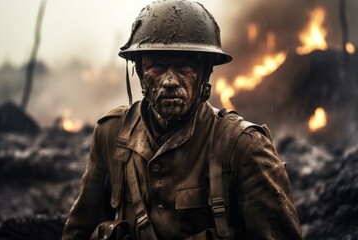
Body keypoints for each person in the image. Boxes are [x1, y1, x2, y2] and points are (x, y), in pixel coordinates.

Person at [62, 0, 302, 239]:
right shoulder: (111, 134)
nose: (169, 81)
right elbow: (78, 231)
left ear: (204, 73)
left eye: (184, 67)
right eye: (157, 66)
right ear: (140, 72)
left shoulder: (243, 146)